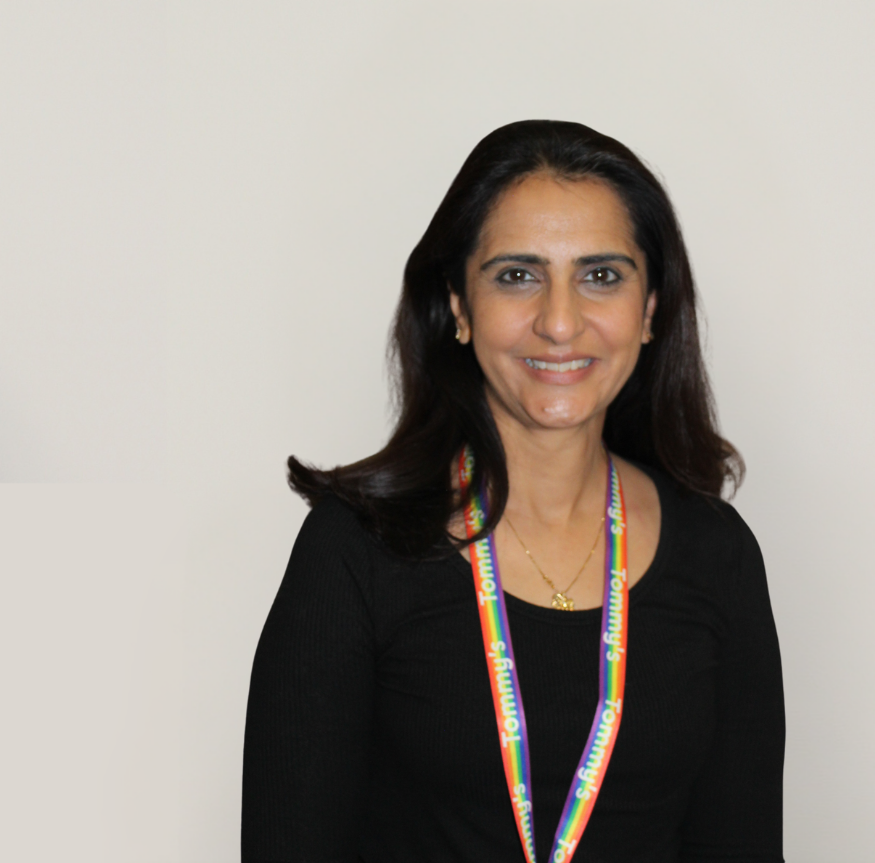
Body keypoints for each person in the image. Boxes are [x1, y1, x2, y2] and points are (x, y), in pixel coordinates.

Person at [241, 120, 785, 863]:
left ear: (652, 308)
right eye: (516, 275)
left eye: (602, 275)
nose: (560, 322)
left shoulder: (717, 553)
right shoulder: (355, 553)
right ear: (458, 307)